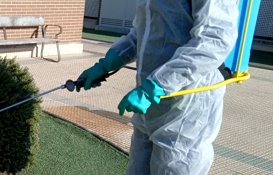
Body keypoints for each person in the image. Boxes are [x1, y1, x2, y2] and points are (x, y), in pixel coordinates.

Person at [76, 0, 239, 174]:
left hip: (186, 108)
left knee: (176, 165)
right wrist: (108, 63)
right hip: (150, 107)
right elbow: (142, 32)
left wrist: (157, 85)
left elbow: (214, 40)